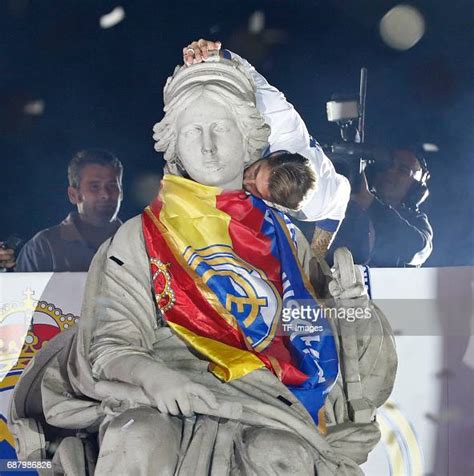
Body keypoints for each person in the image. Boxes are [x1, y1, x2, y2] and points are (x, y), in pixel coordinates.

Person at [27, 46, 396, 475]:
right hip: (160, 390)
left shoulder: (286, 239)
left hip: (268, 400)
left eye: (221, 128)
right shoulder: (140, 236)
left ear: (248, 140)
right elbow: (111, 344)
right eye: (192, 131)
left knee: (282, 455)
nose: (207, 145)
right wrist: (156, 378)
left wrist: (351, 310)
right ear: (175, 146)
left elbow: (333, 354)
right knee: (137, 437)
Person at [183, 40, 351, 260]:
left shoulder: (316, 205)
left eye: (255, 188)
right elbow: (242, 69)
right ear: (276, 155)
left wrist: (315, 261)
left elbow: (337, 206)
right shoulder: (274, 114)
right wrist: (210, 53)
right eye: (254, 174)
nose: (247, 181)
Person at [15, 149, 123, 272]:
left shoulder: (141, 244)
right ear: (73, 195)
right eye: (95, 186)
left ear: (121, 192)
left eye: (112, 186)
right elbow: (22, 290)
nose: (105, 194)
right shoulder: (43, 248)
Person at [329, 148, 433, 267]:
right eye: (388, 165)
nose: (391, 171)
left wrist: (369, 203)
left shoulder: (417, 220)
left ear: (416, 187)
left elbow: (417, 249)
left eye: (403, 170)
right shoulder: (349, 207)